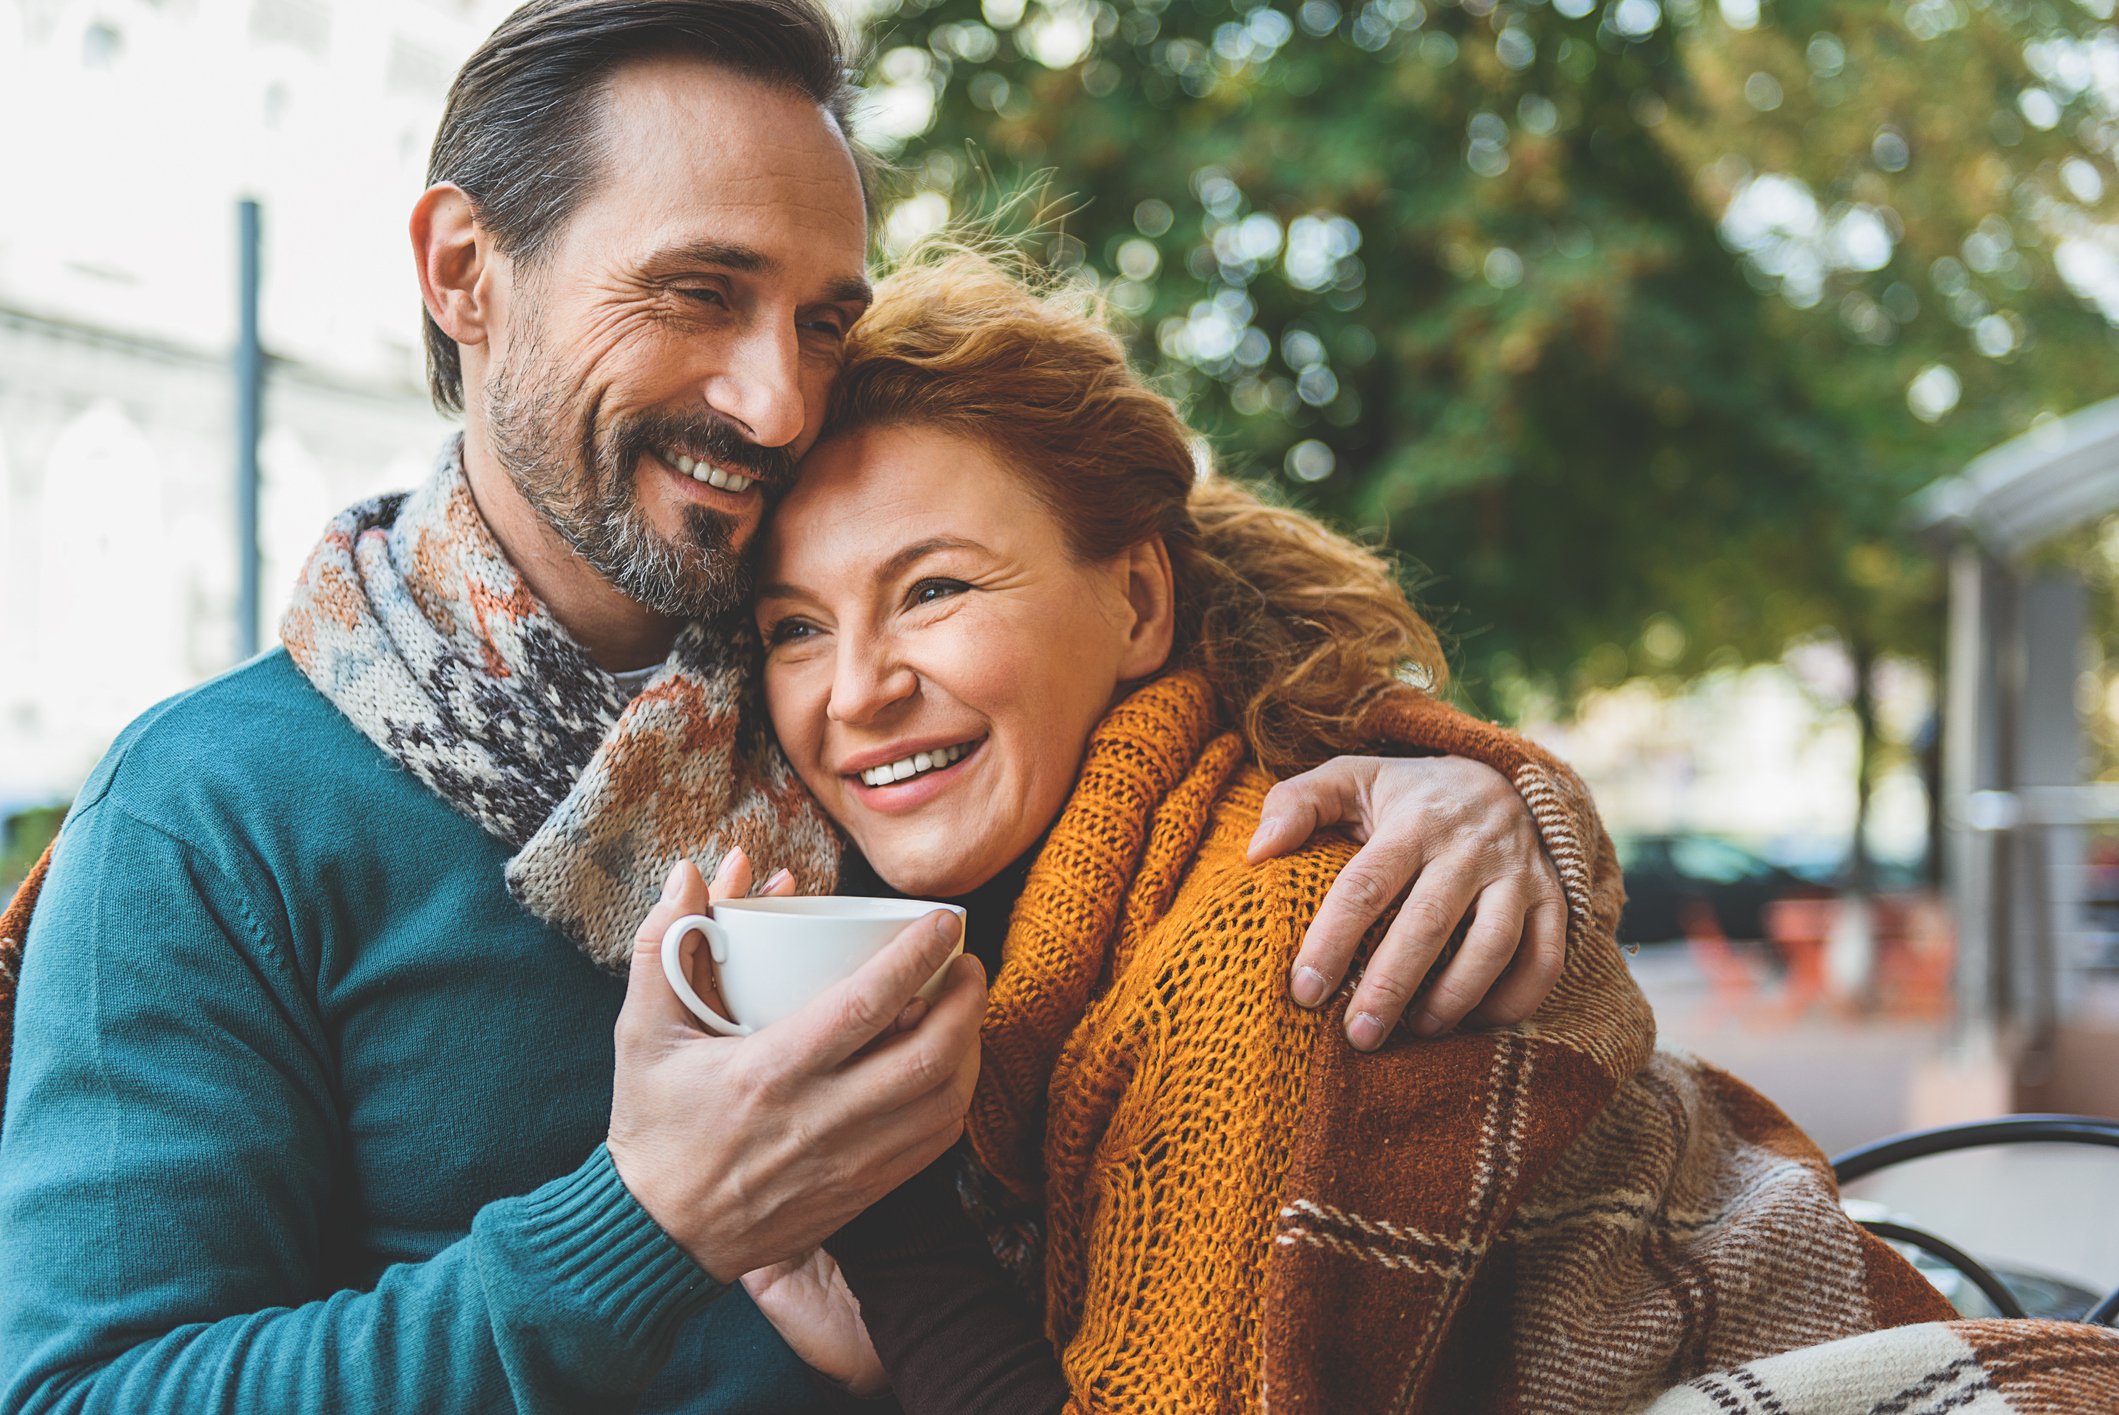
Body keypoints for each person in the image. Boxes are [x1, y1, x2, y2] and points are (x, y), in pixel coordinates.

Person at [0, 2, 1598, 1411]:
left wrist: (1456, 780)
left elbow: (1201, 629)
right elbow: (93, 1390)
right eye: (699, 292)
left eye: (824, 320)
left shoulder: (880, 746)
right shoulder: (210, 814)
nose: (777, 399)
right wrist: (648, 1222)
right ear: (463, 273)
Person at [662, 247, 2106, 1411]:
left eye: (935, 591)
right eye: (797, 628)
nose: (858, 690)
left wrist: (899, 1249)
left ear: (1142, 606)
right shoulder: (1072, 901)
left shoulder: (1271, 938)